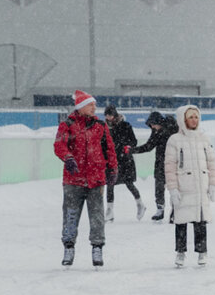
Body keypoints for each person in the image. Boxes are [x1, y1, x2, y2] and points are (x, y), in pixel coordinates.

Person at [53, 90, 117, 268]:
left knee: (97, 216)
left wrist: (112, 168)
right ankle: (69, 247)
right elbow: (59, 145)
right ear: (80, 107)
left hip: (96, 179)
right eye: (91, 105)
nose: (94, 108)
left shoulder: (100, 125)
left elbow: (109, 148)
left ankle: (97, 248)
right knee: (71, 215)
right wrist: (68, 157)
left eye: (94, 105)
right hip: (74, 180)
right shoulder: (68, 125)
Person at [164, 104, 215, 267]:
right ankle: (180, 252)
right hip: (183, 186)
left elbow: (211, 163)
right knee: (181, 221)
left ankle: (202, 252)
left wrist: (213, 184)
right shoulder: (174, 140)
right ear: (183, 120)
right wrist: (172, 188)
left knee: (200, 221)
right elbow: (170, 166)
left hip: (201, 186)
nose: (194, 120)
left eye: (196, 117)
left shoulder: (204, 138)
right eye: (191, 117)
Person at [132, 110, 179, 221]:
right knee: (159, 187)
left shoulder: (173, 129)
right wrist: (132, 150)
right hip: (160, 163)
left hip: (173, 162)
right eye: (151, 125)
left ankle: (175, 211)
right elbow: (149, 146)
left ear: (159, 122)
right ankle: (160, 210)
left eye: (153, 124)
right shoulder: (156, 131)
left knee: (174, 188)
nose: (152, 127)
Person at [103, 105, 146, 220]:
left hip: (125, 159)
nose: (108, 117)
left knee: (129, 183)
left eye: (110, 115)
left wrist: (126, 146)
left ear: (115, 114)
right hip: (112, 160)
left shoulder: (125, 126)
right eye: (106, 115)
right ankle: (110, 210)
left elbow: (134, 141)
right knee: (110, 184)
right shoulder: (104, 128)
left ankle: (140, 204)